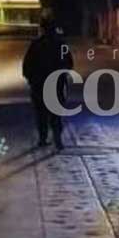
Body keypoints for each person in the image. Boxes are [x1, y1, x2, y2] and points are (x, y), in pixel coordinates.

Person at [22, 18, 73, 149]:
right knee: (56, 114)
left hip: (39, 85)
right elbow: (69, 64)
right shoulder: (61, 45)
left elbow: (27, 66)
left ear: (42, 29)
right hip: (57, 84)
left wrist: (31, 79)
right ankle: (57, 140)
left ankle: (42, 139)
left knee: (41, 114)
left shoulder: (36, 45)